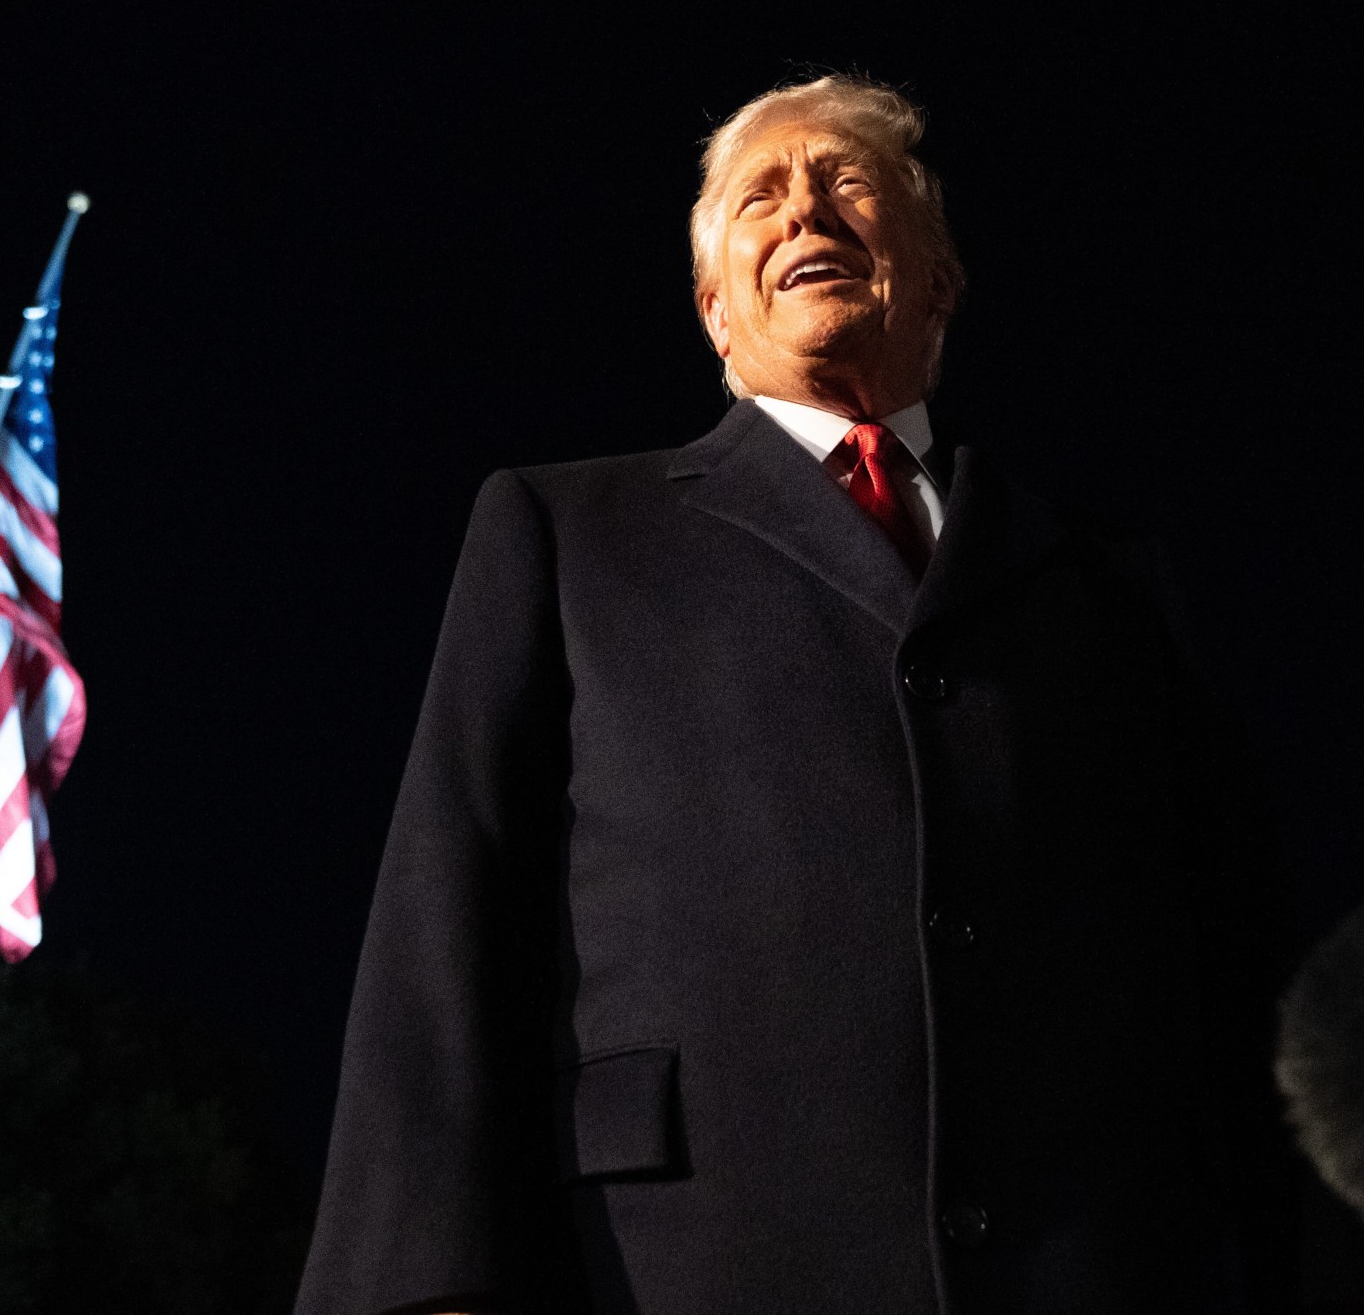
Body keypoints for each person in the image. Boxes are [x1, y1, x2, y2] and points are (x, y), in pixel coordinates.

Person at [295, 75, 1287, 1315]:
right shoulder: (564, 530)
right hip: (683, 1254)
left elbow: (1223, 953)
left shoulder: (1106, 579)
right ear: (715, 309)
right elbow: (449, 901)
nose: (805, 212)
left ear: (939, 279)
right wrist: (415, 1285)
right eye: (761, 198)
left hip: (1090, 1261)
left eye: (849, 184)